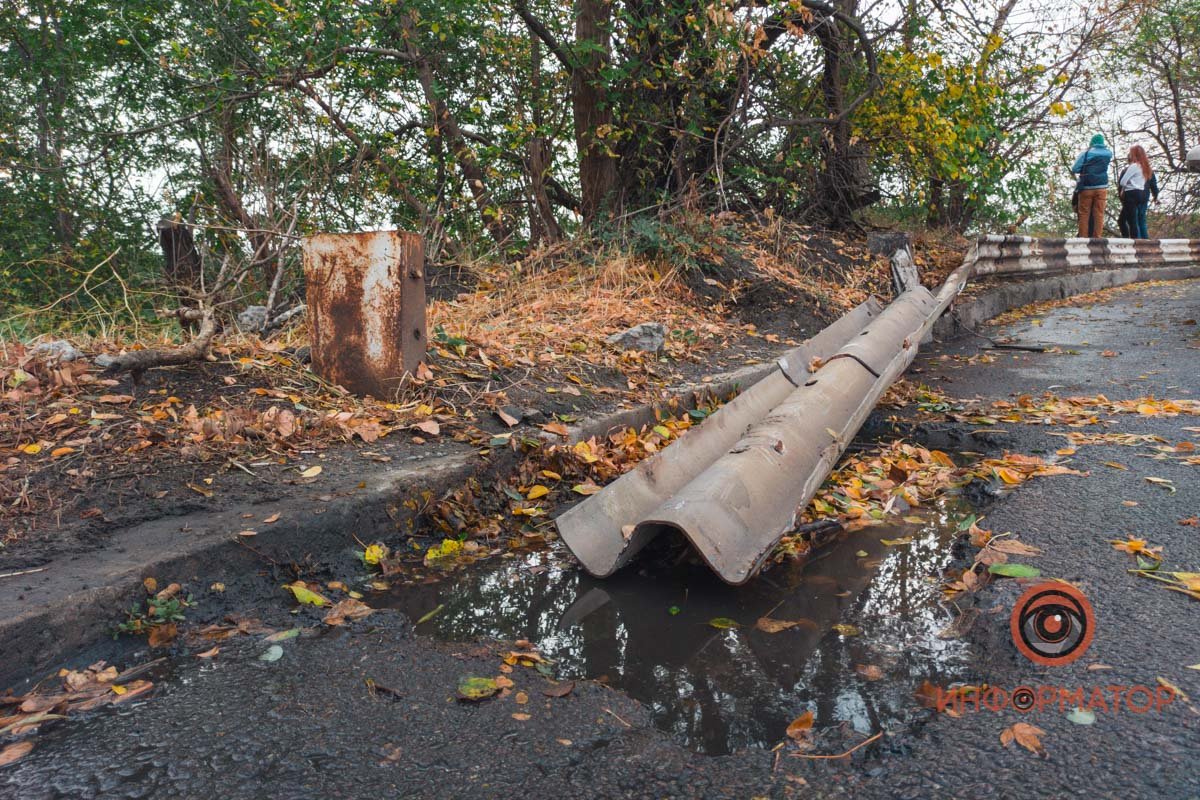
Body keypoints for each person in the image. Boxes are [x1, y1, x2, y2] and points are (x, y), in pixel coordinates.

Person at [1072, 134, 1113, 238]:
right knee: (1099, 213)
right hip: (1102, 187)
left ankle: (1083, 238)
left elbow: (1075, 169)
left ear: (1092, 142)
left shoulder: (1086, 153)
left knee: (1084, 213)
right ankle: (1097, 237)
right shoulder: (1108, 154)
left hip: (1086, 187)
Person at [1117, 146, 1156, 239]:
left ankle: (1135, 241)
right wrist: (1156, 195)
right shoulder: (1145, 167)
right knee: (1140, 220)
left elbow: (1122, 182)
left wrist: (1125, 187)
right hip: (1141, 194)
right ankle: (1144, 241)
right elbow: (1151, 183)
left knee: (1132, 221)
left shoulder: (1134, 166)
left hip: (1131, 193)